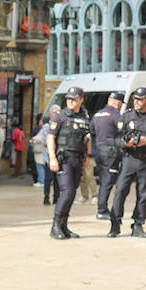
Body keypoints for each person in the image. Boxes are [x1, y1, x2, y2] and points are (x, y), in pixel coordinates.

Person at [108, 87, 146, 238]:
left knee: (144, 194)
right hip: (129, 158)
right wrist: (125, 143)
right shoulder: (127, 116)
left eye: (140, 99)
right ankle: (115, 223)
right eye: (135, 99)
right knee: (120, 190)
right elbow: (116, 137)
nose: (137, 102)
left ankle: (138, 224)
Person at [46, 86, 90, 239]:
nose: (70, 101)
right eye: (68, 99)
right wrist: (52, 158)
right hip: (63, 159)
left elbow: (87, 137)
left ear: (81, 100)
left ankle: (64, 226)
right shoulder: (60, 116)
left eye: (74, 99)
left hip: (78, 159)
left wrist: (87, 156)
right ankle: (55, 226)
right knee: (67, 191)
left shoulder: (85, 117)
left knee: (72, 193)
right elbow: (50, 137)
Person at [90, 92, 123, 220]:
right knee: (107, 182)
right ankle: (102, 210)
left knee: (104, 180)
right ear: (117, 102)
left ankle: (102, 208)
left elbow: (92, 131)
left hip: (99, 150)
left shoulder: (97, 114)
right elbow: (122, 132)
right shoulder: (116, 115)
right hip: (111, 152)